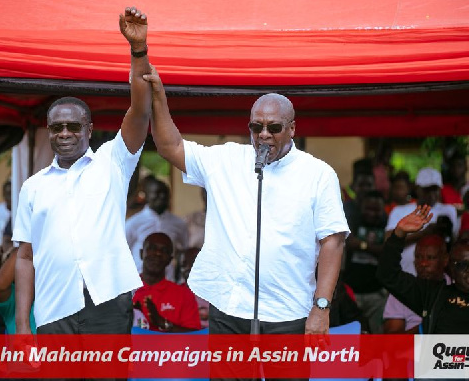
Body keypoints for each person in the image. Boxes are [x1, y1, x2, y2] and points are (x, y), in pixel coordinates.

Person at [143, 67, 349, 342]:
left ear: (292, 129)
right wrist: (158, 97)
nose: (264, 134)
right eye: (256, 127)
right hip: (229, 305)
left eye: (274, 128)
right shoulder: (226, 159)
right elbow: (171, 147)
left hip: (287, 311)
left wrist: (321, 307)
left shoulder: (318, 174)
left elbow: (333, 242)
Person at [13, 6, 152, 338]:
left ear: (89, 129)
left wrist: (138, 51)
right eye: (57, 127)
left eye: (73, 126)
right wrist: (21, 324)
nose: (64, 133)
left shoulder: (112, 162)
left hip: (107, 302)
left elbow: (141, 110)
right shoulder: (33, 187)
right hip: (53, 308)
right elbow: (24, 258)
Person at [377, 189, 469, 334]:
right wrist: (399, 234)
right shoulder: (433, 296)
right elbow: (388, 274)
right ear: (450, 268)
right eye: (461, 265)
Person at [386, 167, 458, 275]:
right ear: (417, 189)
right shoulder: (400, 211)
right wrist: (423, 233)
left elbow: (454, 242)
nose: (432, 194)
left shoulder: (449, 210)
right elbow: (388, 240)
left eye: (435, 189)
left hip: (438, 277)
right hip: (405, 274)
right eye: (427, 189)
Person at [133, 232, 201, 332]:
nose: (157, 253)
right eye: (152, 248)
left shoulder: (183, 295)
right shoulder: (124, 291)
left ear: (170, 259)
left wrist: (163, 323)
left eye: (164, 250)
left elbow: (196, 338)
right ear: (141, 253)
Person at [382, 234, 449, 334]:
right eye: (419, 257)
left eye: (430, 258)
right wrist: (425, 327)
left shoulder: (456, 289)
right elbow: (392, 340)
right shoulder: (401, 290)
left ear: (445, 260)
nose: (423, 263)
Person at [343, 190, 388, 334]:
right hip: (351, 293)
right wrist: (374, 248)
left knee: (376, 337)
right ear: (361, 207)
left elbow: (386, 250)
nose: (372, 213)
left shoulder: (388, 224)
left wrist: (362, 245)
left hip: (376, 295)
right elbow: (349, 243)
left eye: (376, 210)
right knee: (350, 337)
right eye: (368, 208)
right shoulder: (352, 221)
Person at [126, 178, 188, 280]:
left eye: (165, 193)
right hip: (139, 281)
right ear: (147, 195)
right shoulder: (133, 223)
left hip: (168, 280)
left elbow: (183, 250)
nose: (162, 197)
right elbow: (124, 252)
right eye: (157, 193)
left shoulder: (179, 223)